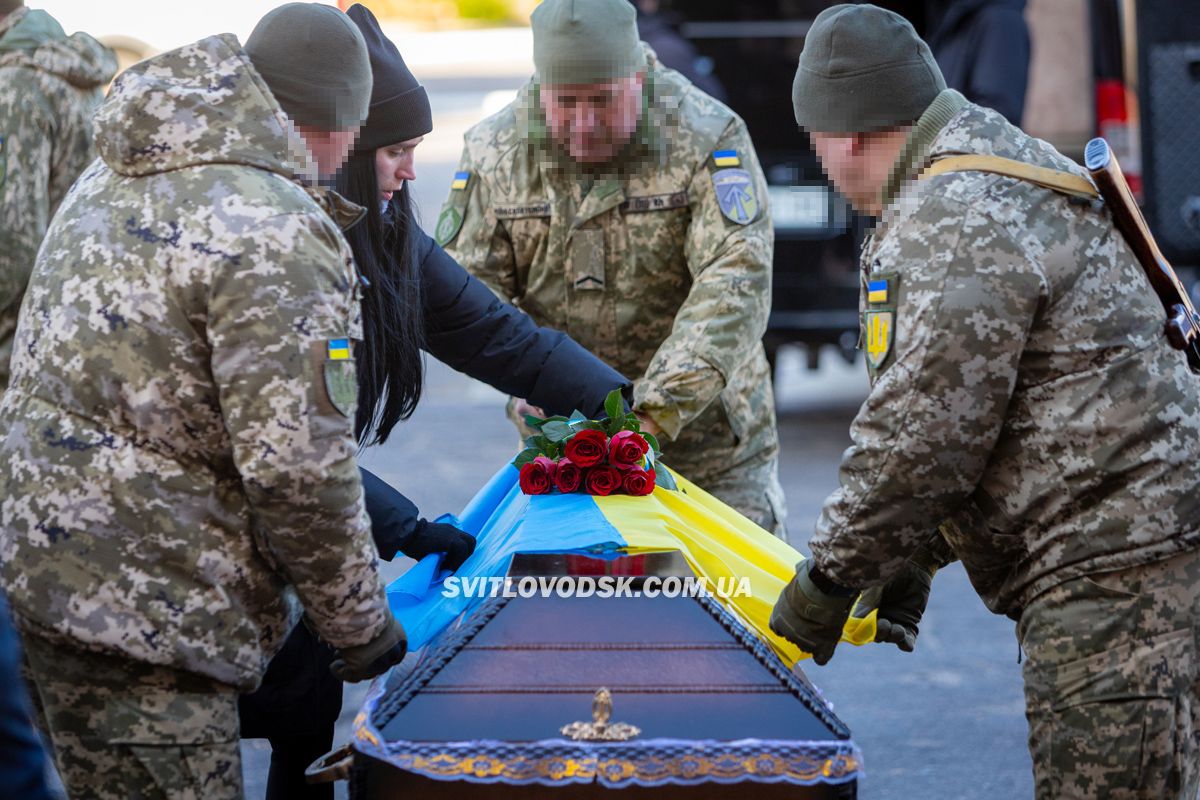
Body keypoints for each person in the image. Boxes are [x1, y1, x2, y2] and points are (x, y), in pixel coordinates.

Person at [769, 5, 1200, 799]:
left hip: (1111, 569)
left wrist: (825, 588)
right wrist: (910, 558)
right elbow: (989, 411)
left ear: (852, 132)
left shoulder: (950, 214)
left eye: (815, 140)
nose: (820, 162)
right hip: (1140, 544)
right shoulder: (988, 157)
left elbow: (917, 437)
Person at [0, 5, 408, 798]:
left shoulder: (127, 164)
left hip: (47, 577)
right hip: (147, 612)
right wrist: (363, 629)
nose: (351, 154)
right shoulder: (274, 227)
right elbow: (298, 471)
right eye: (351, 130)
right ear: (321, 119)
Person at [236, 7, 632, 798]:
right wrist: (401, 527)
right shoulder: (266, 242)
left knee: (304, 698)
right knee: (237, 709)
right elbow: (270, 448)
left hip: (295, 516)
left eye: (416, 150)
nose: (410, 171)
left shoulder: (383, 232)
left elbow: (504, 340)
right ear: (342, 151)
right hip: (199, 535)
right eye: (396, 152)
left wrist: (623, 408)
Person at [440, 0, 786, 534]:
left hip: (708, 453)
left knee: (734, 609)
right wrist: (528, 382)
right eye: (565, 103)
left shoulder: (706, 135)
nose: (584, 123)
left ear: (640, 77)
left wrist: (648, 414)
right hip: (564, 448)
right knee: (578, 611)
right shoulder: (496, 151)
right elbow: (466, 291)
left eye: (603, 101)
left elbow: (734, 280)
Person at [0, 0, 116, 393]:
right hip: (68, 316)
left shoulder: (14, 86)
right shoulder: (65, 71)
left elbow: (12, 240)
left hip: (17, 336)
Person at [924, 0, 1030, 125]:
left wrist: (911, 140)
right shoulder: (946, 19)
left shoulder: (1001, 21)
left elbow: (995, 119)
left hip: (962, 142)